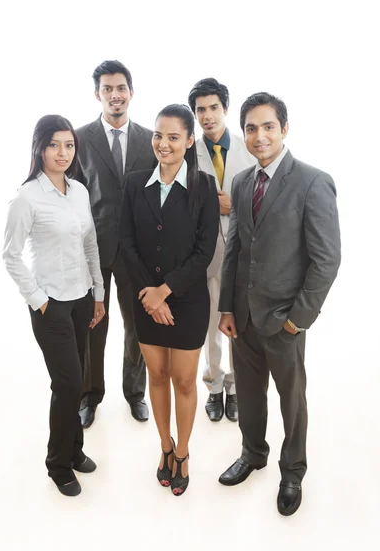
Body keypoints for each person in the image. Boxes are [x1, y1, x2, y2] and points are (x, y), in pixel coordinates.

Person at [218, 93, 341, 516]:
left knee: (292, 399)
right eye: (251, 128)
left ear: (284, 129)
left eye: (268, 126)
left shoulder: (312, 181)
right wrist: (227, 309)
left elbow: (326, 259)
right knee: (250, 394)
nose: (259, 135)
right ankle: (253, 454)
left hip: (284, 318)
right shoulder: (241, 182)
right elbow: (234, 249)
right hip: (244, 316)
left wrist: (297, 320)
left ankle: (293, 471)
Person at [3, 115, 105, 497]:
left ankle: (75, 450)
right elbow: (10, 256)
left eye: (69, 145)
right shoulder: (27, 197)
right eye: (54, 145)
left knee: (76, 381)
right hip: (51, 306)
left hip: (81, 298)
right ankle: (58, 465)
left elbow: (90, 244)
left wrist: (97, 294)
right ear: (39, 148)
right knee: (67, 384)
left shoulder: (78, 190)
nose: (63, 153)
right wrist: (39, 301)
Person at [120, 104, 219, 496]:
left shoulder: (203, 187)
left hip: (188, 302)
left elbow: (204, 251)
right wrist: (151, 295)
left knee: (184, 380)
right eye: (158, 136)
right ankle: (164, 446)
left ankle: (182, 451)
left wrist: (167, 290)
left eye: (173, 137)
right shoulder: (133, 184)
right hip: (145, 300)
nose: (163, 144)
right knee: (156, 376)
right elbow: (126, 243)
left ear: (190, 141)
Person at [75, 60, 157, 427]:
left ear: (131, 92)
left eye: (120, 87)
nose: (114, 94)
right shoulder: (78, 139)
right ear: (97, 94)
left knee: (137, 323)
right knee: (94, 324)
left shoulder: (149, 139)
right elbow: (71, 194)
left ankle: (134, 392)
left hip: (137, 250)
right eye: (107, 88)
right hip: (92, 250)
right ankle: (90, 396)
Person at [188, 77, 255, 422]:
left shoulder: (249, 149)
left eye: (214, 108)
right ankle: (214, 386)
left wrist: (235, 207)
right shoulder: (188, 154)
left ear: (225, 109)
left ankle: (235, 386)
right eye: (201, 110)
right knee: (211, 324)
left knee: (239, 326)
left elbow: (265, 199)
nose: (208, 116)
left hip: (243, 254)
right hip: (208, 254)